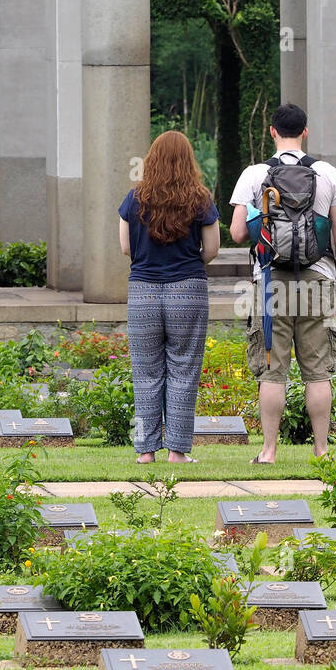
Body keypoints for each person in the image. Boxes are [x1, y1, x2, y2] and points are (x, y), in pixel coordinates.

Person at [229, 103, 336, 462]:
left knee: (272, 372)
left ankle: (268, 452)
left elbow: (236, 233)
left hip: (269, 283)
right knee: (317, 374)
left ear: (272, 132)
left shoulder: (254, 174)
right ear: (306, 131)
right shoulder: (328, 173)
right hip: (319, 280)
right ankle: (322, 449)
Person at [118, 130, 220, 464]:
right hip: (188, 289)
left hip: (143, 290)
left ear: (152, 160)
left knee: (145, 371)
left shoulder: (135, 198)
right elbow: (213, 250)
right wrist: (188, 261)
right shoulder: (200, 199)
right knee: (184, 369)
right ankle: (177, 451)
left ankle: (146, 450)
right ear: (188, 160)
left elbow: (124, 248)